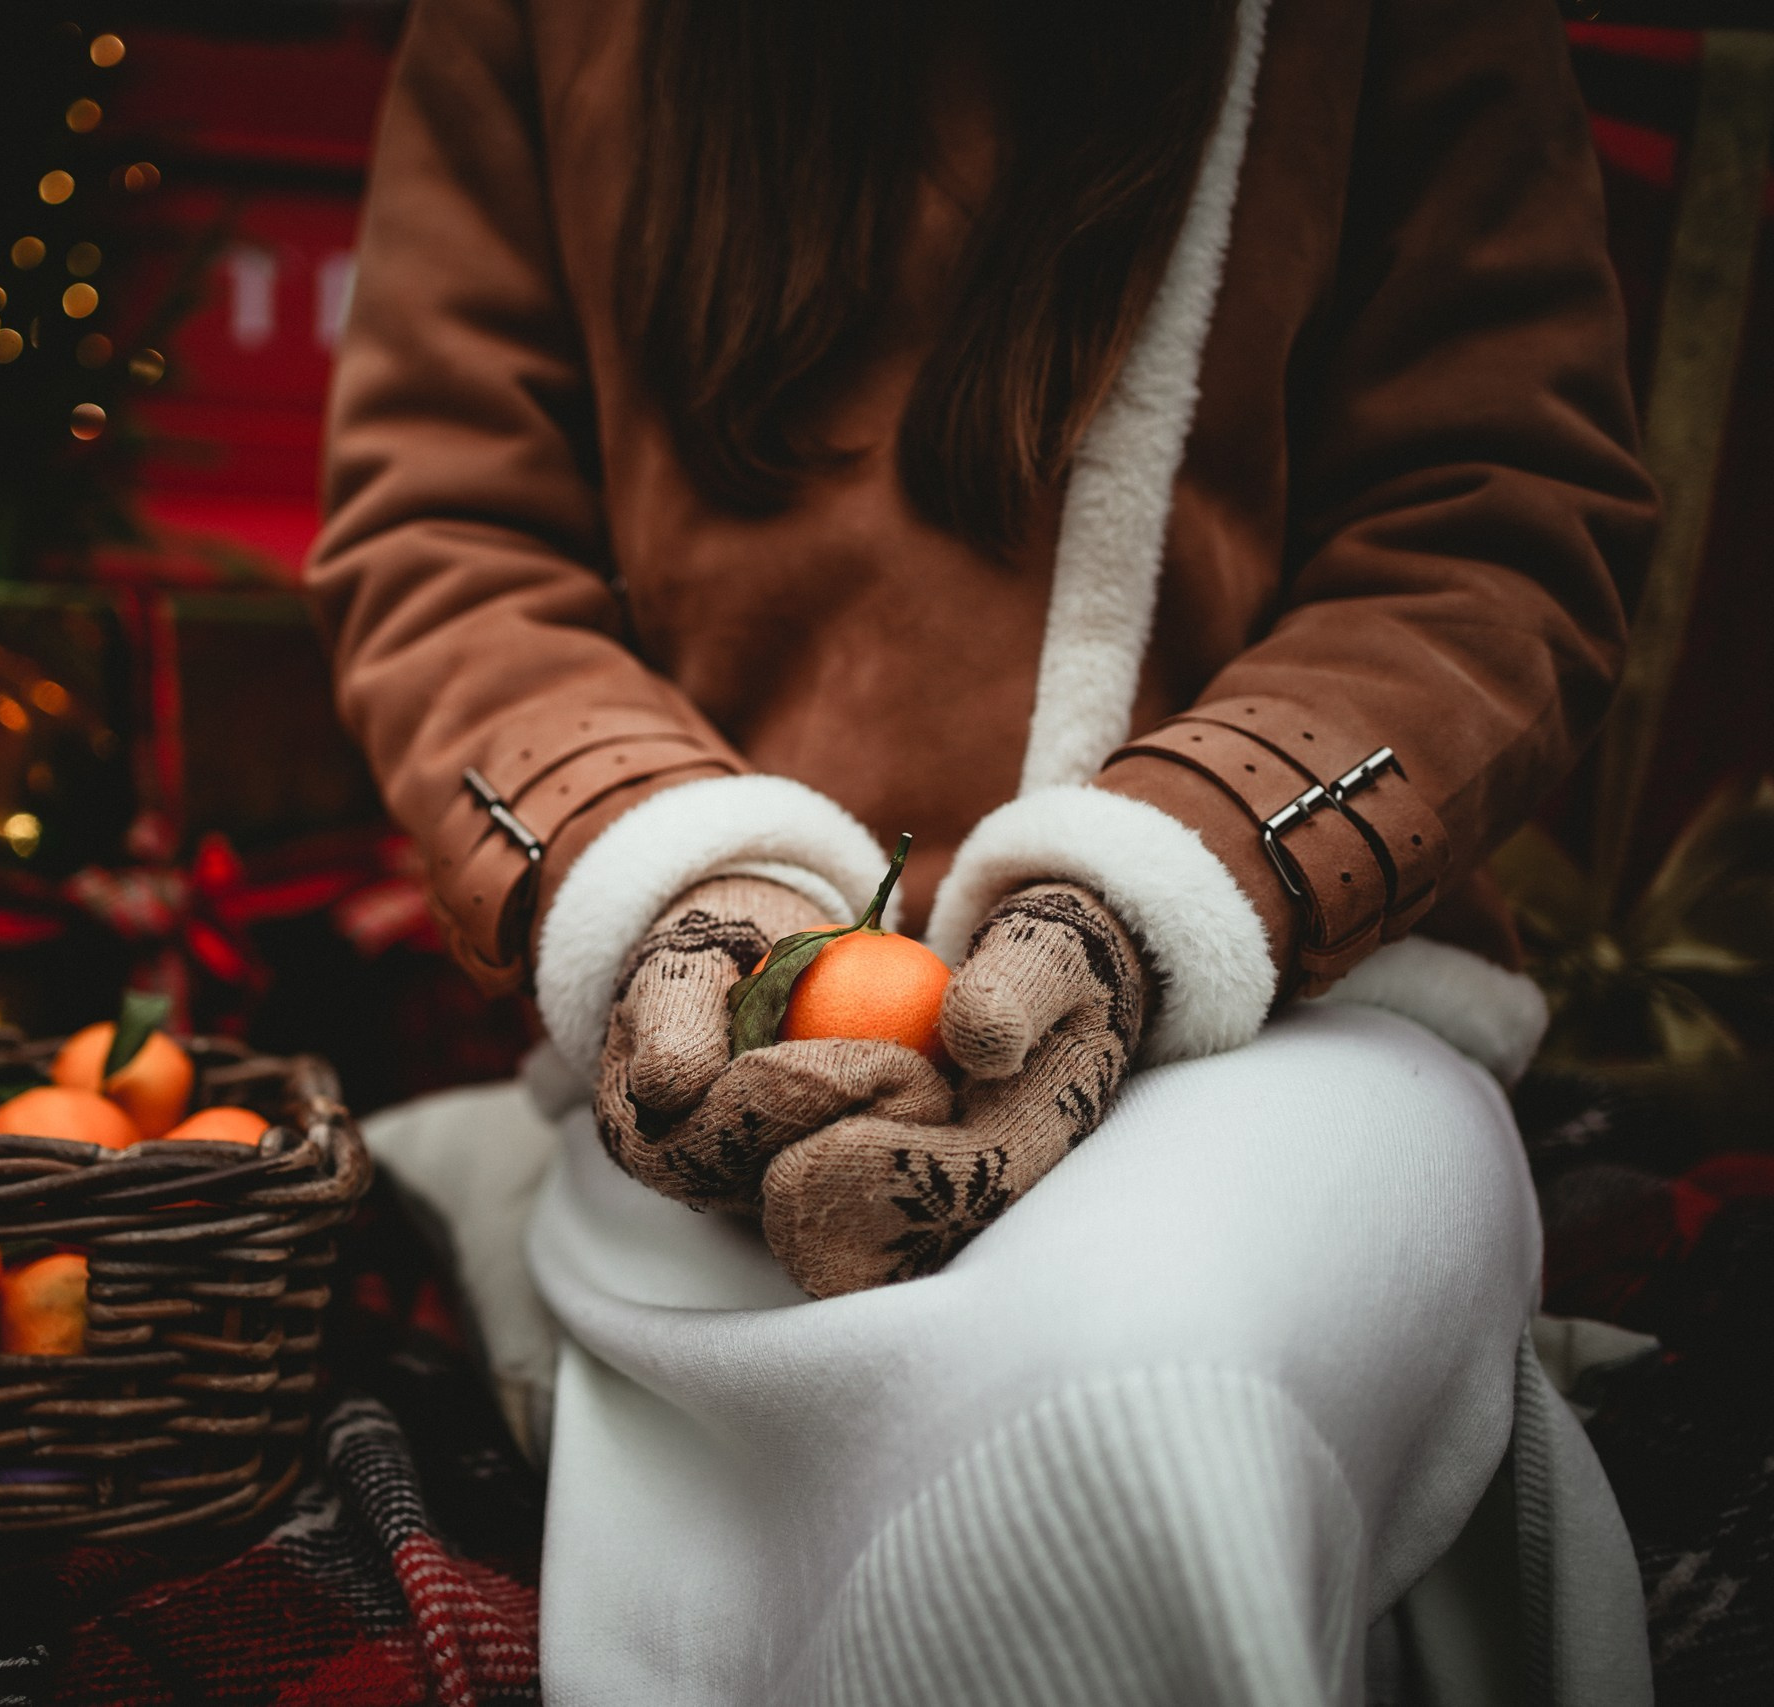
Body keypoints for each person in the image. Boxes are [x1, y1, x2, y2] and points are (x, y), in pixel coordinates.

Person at [307, 0, 1660, 1701]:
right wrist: (675, 883)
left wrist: (1153, 891)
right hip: (729, 1055)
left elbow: (1500, 518)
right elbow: (450, 536)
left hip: (1292, 1008)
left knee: (1158, 1405)